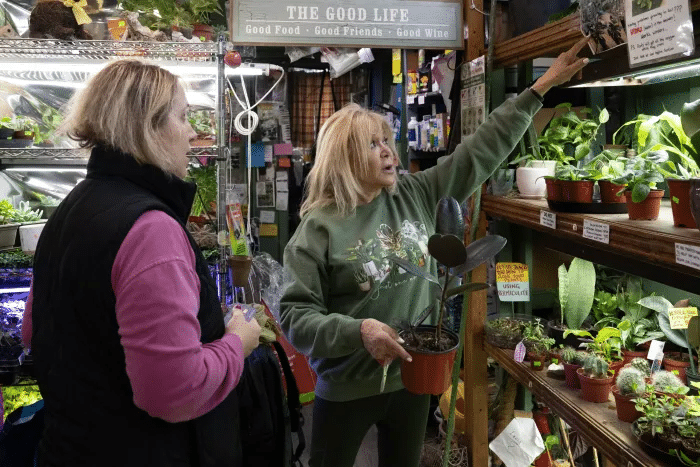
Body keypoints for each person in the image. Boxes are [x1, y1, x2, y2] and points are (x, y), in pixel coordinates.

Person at [280, 37, 591, 467]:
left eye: (387, 139)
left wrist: (539, 90)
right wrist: (360, 331)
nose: (389, 151)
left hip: (413, 377)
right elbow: (296, 318)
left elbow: (480, 150)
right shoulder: (318, 228)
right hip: (349, 386)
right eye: (373, 144)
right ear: (346, 157)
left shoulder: (417, 193)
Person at [21, 60, 261, 467]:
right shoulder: (151, 229)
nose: (191, 133)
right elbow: (174, 393)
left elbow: (33, 332)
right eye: (183, 117)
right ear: (148, 128)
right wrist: (238, 341)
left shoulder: (72, 207)